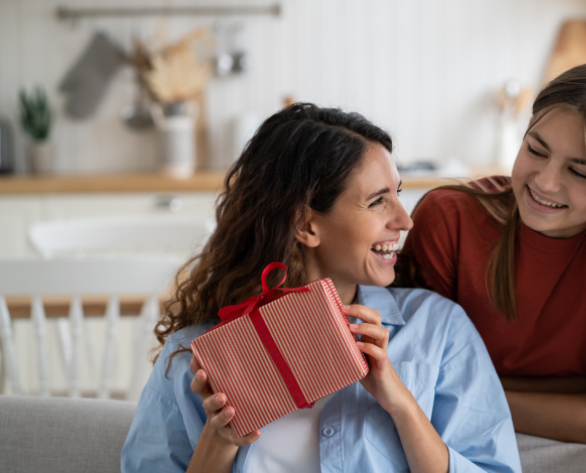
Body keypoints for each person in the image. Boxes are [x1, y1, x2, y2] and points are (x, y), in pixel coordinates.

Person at [121, 103, 521, 473]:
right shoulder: (191, 356)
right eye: (378, 201)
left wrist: (399, 402)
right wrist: (221, 436)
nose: (404, 220)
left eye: (397, 194)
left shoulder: (439, 329)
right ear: (306, 225)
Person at [400, 63, 586, 445]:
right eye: (535, 150)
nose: (544, 181)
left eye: (580, 172)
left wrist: (473, 388)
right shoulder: (449, 219)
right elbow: (422, 385)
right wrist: (579, 387)